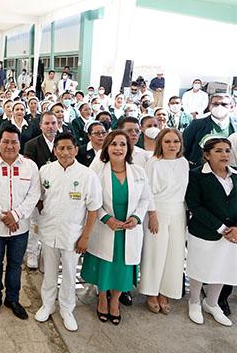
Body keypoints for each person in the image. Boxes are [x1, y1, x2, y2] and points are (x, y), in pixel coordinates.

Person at [81, 130, 151, 325]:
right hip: (106, 227)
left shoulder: (138, 172)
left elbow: (145, 198)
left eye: (122, 144)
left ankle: (115, 302)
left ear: (128, 148)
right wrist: (106, 219)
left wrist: (137, 218)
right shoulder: (97, 172)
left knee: (122, 266)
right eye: (113, 144)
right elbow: (92, 202)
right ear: (106, 148)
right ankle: (103, 298)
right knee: (104, 265)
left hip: (129, 229)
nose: (118, 148)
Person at [34, 133, 102, 332]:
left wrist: (85, 237)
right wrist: (41, 220)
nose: (65, 152)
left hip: (73, 235)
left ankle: (67, 309)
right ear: (54, 150)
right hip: (48, 231)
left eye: (69, 148)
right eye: (60, 148)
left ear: (76, 150)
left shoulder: (87, 175)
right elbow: (39, 199)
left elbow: (93, 209)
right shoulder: (45, 171)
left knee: (70, 274)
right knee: (49, 272)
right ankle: (47, 305)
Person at [0, 123, 40, 320]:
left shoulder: (30, 166)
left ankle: (12, 299)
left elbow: (33, 195)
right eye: (6, 141)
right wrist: (5, 217)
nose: (10, 146)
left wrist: (16, 215)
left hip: (20, 229)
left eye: (14, 142)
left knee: (15, 265)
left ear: (19, 144)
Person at [184, 137, 236, 327]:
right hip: (205, 231)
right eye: (219, 151)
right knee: (200, 267)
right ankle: (195, 301)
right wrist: (222, 228)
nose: (224, 155)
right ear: (206, 155)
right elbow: (195, 205)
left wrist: (235, 229)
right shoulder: (196, 175)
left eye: (227, 151)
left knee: (222, 267)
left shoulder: (236, 176)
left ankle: (212, 303)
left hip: (231, 236)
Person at [139, 128, 189, 314]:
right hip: (157, 210)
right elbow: (147, 190)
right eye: (167, 141)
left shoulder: (183, 162)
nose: (172, 145)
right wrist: (152, 215)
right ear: (160, 143)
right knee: (155, 253)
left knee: (174, 255)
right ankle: (151, 292)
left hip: (178, 211)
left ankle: (165, 291)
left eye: (175, 141)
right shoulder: (153, 162)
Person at [183, 94, 237, 167]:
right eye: (215, 104)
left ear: (231, 107)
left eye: (224, 104)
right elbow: (184, 147)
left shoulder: (235, 125)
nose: (219, 107)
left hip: (229, 171)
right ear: (209, 106)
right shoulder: (196, 124)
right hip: (200, 172)